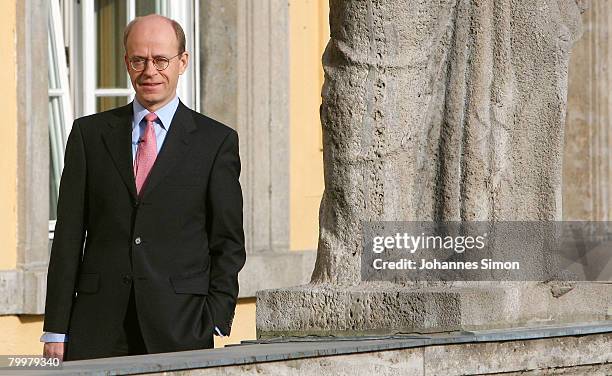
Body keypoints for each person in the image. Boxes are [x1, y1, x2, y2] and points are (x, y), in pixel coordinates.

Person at [41, 14, 245, 361]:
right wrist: (56, 327)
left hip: (181, 327)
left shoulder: (215, 142)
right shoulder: (89, 136)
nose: (150, 71)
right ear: (126, 63)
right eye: (139, 60)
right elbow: (69, 236)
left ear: (182, 62)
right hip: (97, 325)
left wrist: (216, 317)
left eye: (161, 60)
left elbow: (227, 240)